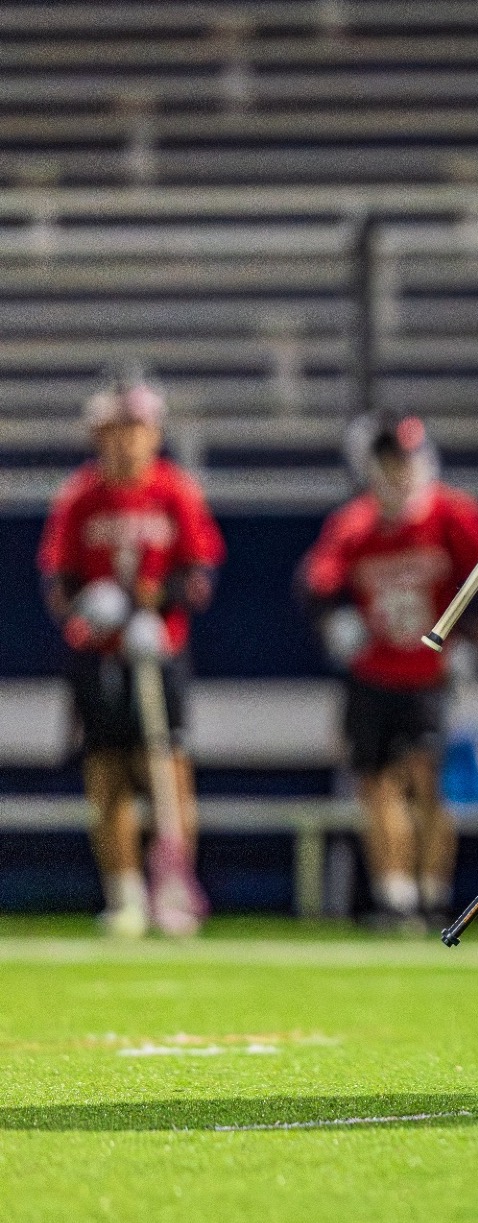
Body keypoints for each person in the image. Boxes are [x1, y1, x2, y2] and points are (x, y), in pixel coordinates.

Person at [299, 411, 478, 930]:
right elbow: (315, 586)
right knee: (377, 785)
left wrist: (476, 633)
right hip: (374, 672)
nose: (398, 473)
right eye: (388, 462)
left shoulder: (452, 513)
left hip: (434, 674)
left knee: (431, 784)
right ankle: (396, 896)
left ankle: (431, 895)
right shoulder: (355, 523)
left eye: (403, 460)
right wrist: (336, 622)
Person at [38, 370, 225, 938]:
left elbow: (199, 574)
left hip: (157, 654)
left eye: (136, 429)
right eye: (115, 430)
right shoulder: (79, 497)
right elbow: (57, 580)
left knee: (167, 771)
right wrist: (85, 608)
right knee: (108, 776)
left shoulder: (175, 492)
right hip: (99, 658)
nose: (126, 441)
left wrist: (153, 608)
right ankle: (123, 895)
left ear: (153, 432)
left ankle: (172, 885)